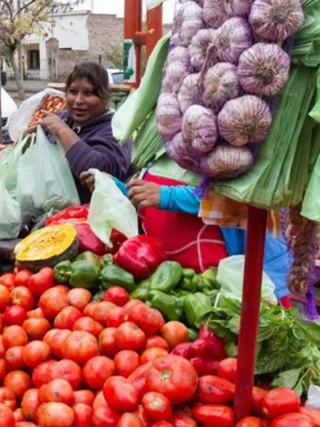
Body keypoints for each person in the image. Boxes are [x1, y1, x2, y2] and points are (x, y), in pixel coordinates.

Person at [82, 172, 292, 304]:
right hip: (176, 287)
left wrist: (168, 196)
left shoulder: (233, 149)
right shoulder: (161, 144)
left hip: (230, 287)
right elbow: (148, 196)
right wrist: (115, 188)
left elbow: (245, 202)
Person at [33, 62, 132, 203]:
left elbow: (103, 172)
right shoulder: (64, 118)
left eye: (88, 93)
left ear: (105, 98)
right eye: (73, 92)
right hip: (50, 209)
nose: (78, 100)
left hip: (86, 217)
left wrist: (63, 131)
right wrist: (30, 138)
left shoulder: (117, 131)